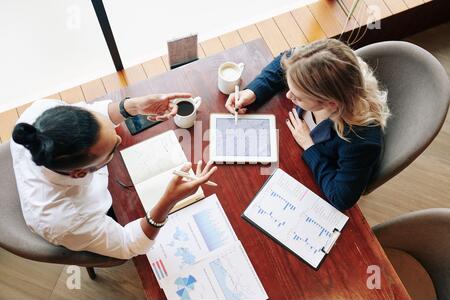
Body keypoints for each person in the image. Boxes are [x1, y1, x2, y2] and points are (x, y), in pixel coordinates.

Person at [11, 93, 217, 259]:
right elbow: (129, 245)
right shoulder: (67, 221)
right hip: (91, 220)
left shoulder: (41, 112)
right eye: (112, 148)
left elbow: (93, 114)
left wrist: (132, 107)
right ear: (80, 173)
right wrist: (169, 200)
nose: (119, 136)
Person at [225, 39, 390, 211]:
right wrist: (252, 92)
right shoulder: (311, 62)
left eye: (298, 97)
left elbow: (341, 199)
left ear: (330, 104)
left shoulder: (360, 141)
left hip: (313, 173)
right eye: (290, 87)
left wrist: (309, 147)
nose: (289, 95)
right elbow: (285, 61)